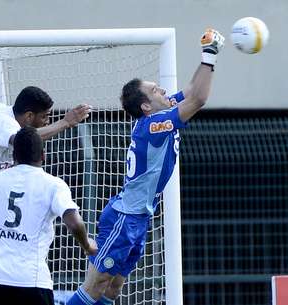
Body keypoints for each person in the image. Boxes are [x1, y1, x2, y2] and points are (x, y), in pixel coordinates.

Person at [67, 28, 225, 305]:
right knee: (96, 285)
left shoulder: (159, 112)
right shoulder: (153, 125)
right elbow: (198, 100)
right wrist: (208, 55)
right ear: (145, 106)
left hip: (138, 217)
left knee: (113, 289)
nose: (163, 90)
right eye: (155, 90)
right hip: (123, 218)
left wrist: (210, 53)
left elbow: (190, 91)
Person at [0, 126, 97, 305]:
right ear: (43, 155)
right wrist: (86, 245)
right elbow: (74, 223)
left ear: (14, 155)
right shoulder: (54, 185)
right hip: (31, 282)